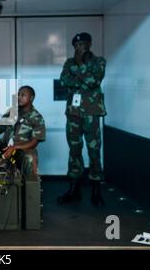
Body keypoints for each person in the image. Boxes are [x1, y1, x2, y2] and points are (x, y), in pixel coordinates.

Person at [57, 32, 107, 207]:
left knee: (94, 151)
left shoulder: (99, 61)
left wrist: (78, 67)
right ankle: (74, 190)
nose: (79, 48)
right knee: (74, 150)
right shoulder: (68, 63)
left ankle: (96, 191)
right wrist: (81, 77)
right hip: (73, 113)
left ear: (90, 44)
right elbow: (63, 81)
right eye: (77, 45)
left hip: (92, 113)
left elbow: (94, 80)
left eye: (83, 44)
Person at [0, 86, 46, 176]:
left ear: (31, 98)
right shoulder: (12, 112)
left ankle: (29, 187)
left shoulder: (36, 117)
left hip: (22, 149)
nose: (19, 97)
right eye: (18, 94)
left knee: (30, 157)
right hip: (5, 147)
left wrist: (15, 147)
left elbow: (34, 143)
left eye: (23, 95)